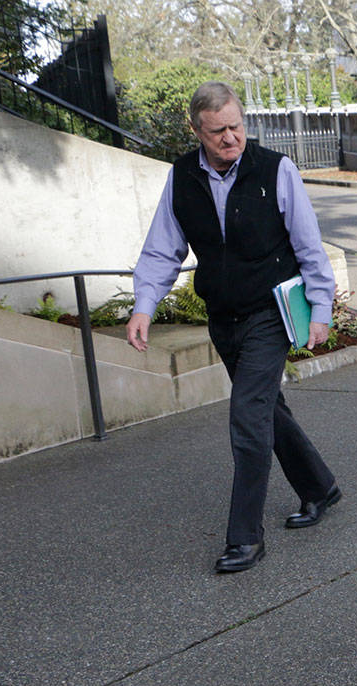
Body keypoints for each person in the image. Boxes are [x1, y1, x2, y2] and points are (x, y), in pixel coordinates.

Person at [127, 81, 340, 573]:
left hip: (271, 312)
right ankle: (319, 486)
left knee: (248, 417)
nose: (230, 138)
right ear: (197, 131)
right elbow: (163, 248)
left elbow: (309, 246)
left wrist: (322, 309)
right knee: (269, 410)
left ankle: (245, 538)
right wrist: (144, 306)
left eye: (236, 126)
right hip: (224, 318)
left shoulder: (276, 170)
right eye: (218, 131)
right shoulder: (182, 177)